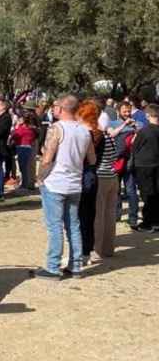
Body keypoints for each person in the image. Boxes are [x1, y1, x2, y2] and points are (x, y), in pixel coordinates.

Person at [36, 95, 94, 280]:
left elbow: (47, 158)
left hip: (55, 182)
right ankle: (76, 265)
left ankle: (53, 267)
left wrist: (39, 177)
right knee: (73, 226)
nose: (53, 109)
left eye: (55, 106)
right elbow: (92, 159)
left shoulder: (57, 128)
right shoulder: (85, 130)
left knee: (55, 226)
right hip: (74, 183)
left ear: (61, 108)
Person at [76, 101, 103, 258]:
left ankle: (81, 251)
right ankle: (87, 249)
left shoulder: (85, 134)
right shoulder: (100, 133)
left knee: (80, 215)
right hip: (93, 175)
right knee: (89, 214)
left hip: (83, 174)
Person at [92, 113, 120, 263]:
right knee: (109, 214)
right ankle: (108, 248)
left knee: (99, 215)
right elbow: (115, 156)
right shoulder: (110, 137)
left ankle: (97, 249)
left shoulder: (98, 138)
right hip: (112, 176)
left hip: (101, 177)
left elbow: (92, 159)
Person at [131, 105, 159, 231]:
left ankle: (148, 222)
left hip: (144, 165)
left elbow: (135, 147)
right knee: (156, 193)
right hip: (156, 164)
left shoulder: (144, 131)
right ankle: (156, 221)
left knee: (147, 194)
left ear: (148, 115)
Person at [12, 112, 38, 191]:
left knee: (23, 167)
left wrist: (16, 127)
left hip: (22, 147)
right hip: (28, 147)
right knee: (25, 167)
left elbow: (15, 135)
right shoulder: (31, 129)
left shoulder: (22, 128)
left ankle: (25, 185)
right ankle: (26, 183)